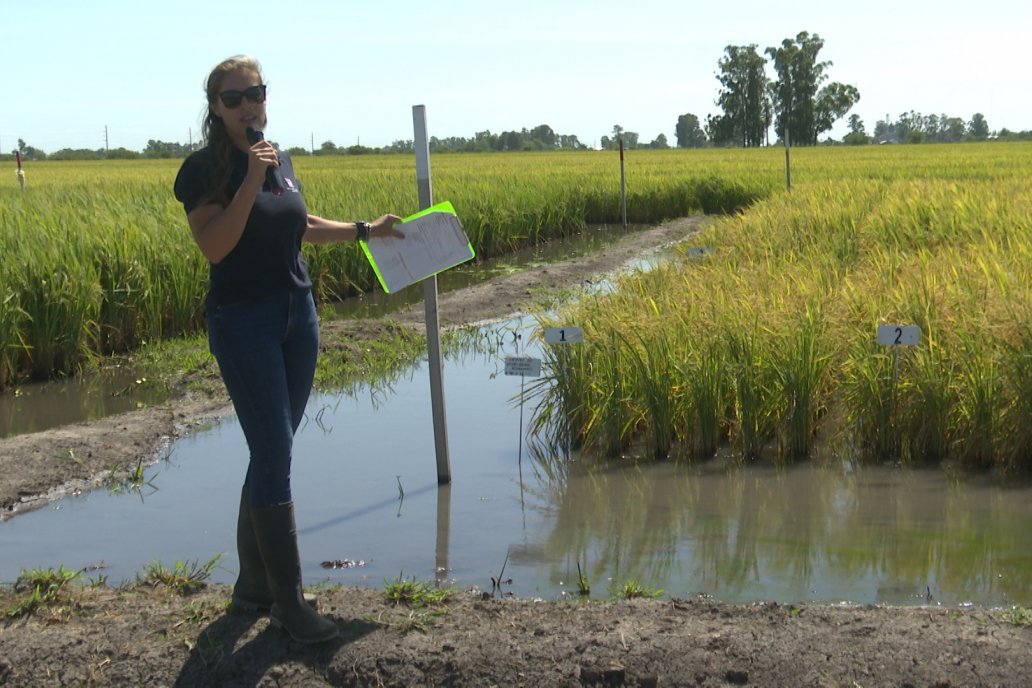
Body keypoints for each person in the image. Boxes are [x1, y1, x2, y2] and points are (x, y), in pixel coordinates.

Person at [173, 55, 402, 643]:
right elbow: (216, 246)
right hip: (243, 321)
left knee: (272, 449)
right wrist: (251, 178)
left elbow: (298, 225)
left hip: (297, 316)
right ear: (215, 108)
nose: (248, 105)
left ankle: (253, 589)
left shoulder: (280, 158)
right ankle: (289, 603)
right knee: (274, 452)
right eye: (233, 98)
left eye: (256, 93)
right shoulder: (202, 171)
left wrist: (365, 230)